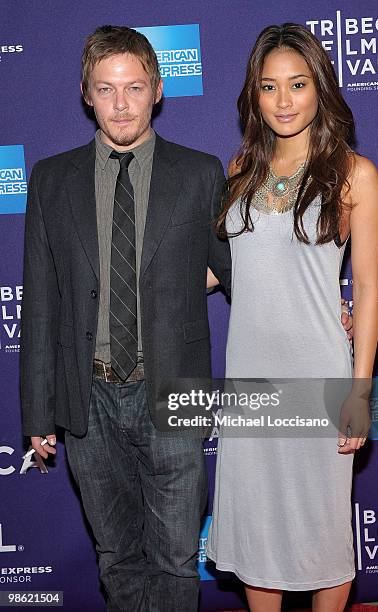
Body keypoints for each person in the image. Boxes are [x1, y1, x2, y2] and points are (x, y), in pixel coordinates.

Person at [19, 25, 231, 612]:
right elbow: (40, 300)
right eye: (106, 89)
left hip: (174, 388)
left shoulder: (199, 172)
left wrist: (321, 299)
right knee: (117, 557)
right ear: (86, 92)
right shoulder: (50, 179)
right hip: (87, 397)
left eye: (134, 88)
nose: (120, 105)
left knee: (175, 557)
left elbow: (242, 269)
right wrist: (38, 411)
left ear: (157, 90)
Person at [206, 23, 378, 612]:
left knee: (322, 530)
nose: (284, 101)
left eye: (298, 84)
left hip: (317, 377)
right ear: (253, 96)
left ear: (320, 89)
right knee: (258, 527)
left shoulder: (354, 174)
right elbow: (224, 269)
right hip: (250, 379)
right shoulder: (241, 170)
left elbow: (364, 287)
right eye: (269, 87)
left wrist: (358, 394)